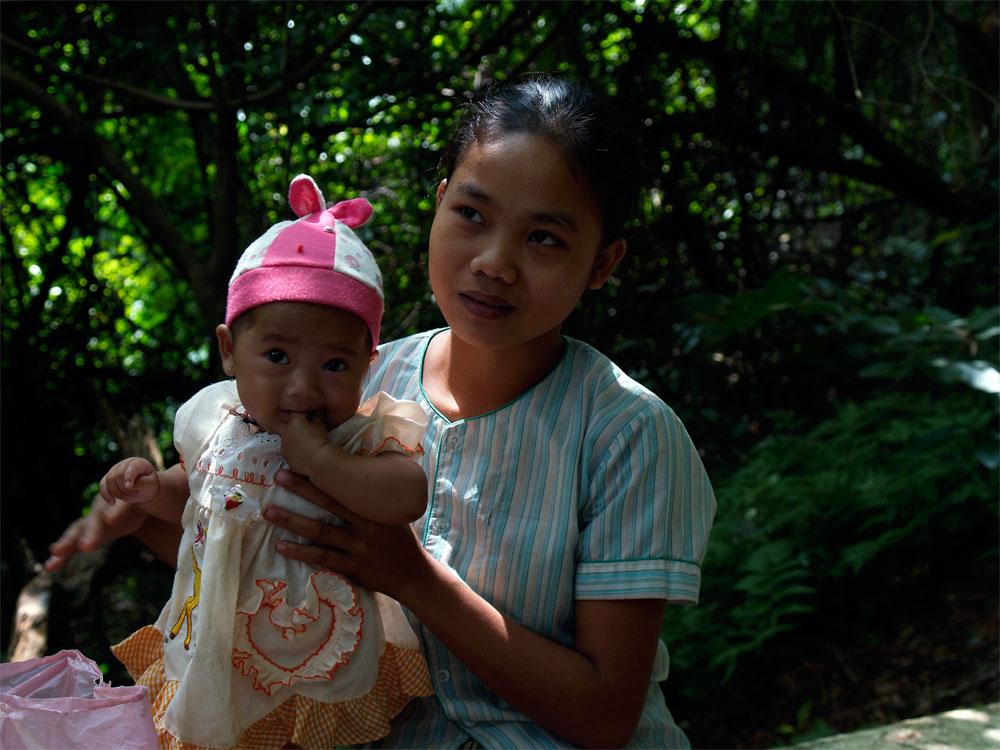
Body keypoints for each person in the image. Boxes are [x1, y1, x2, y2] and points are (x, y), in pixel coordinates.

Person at [48, 75, 716, 748]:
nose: (494, 263)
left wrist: (412, 579)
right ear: (438, 206)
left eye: (544, 238)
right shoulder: (345, 379)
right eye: (472, 215)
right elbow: (253, 554)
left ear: (602, 262)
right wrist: (145, 512)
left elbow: (604, 718)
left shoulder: (628, 434)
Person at [78, 175, 435, 749]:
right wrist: (149, 489)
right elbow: (192, 492)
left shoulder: (355, 437)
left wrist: (321, 460)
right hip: (216, 644)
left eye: (335, 365)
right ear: (228, 350)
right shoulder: (215, 421)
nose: (303, 386)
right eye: (276, 355)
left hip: (319, 655)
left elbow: (406, 494)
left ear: (368, 366)